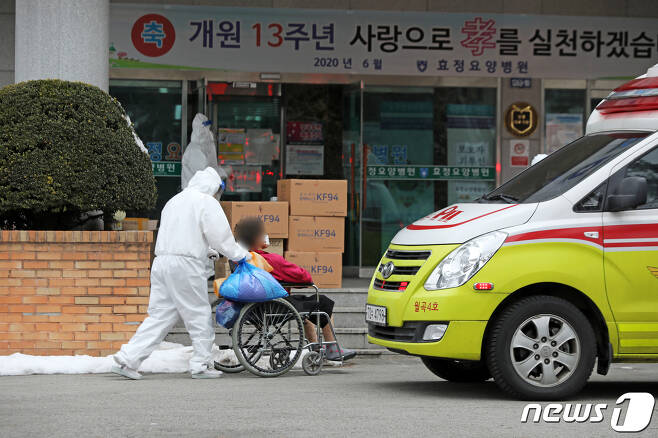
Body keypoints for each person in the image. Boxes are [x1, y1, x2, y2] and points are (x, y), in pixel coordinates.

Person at [112, 167, 250, 380]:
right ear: (213, 187)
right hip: (185, 266)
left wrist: (208, 251)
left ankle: (128, 359)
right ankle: (200, 364)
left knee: (159, 315)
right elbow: (221, 238)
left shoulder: (173, 201)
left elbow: (184, 234)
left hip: (162, 263)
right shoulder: (206, 202)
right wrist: (241, 255)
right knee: (199, 314)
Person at [234, 217, 356, 362]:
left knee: (304, 307)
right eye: (263, 234)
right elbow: (305, 278)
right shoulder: (270, 260)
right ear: (257, 238)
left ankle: (316, 348)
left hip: (254, 309)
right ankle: (331, 348)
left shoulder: (238, 259)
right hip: (275, 307)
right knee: (322, 301)